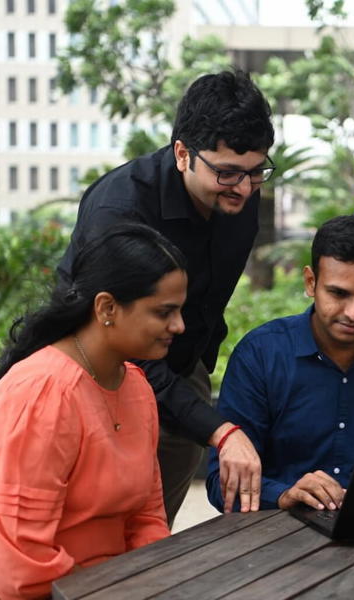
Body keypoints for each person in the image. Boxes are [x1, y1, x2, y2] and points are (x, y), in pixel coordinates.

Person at [58, 70, 276, 520]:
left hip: (179, 367)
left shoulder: (242, 192)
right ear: (182, 154)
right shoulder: (119, 210)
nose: (244, 188)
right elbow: (118, 345)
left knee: (153, 525)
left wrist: (197, 373)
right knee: (95, 527)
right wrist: (218, 431)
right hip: (95, 375)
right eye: (228, 173)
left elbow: (211, 300)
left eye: (257, 172)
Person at [0, 223, 188, 598]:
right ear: (107, 307)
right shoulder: (44, 392)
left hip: (94, 585)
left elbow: (146, 517)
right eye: (164, 312)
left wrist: (154, 578)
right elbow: (18, 568)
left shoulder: (136, 386)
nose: (179, 325)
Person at [205, 216, 354, 512]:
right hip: (275, 533)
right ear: (311, 282)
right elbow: (221, 483)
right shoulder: (260, 356)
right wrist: (284, 495)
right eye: (338, 293)